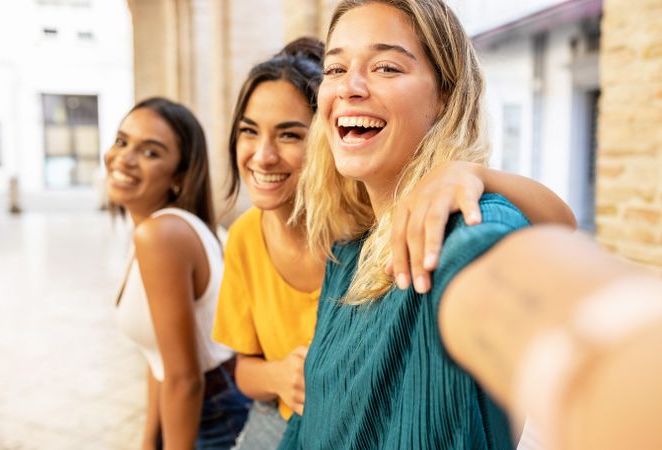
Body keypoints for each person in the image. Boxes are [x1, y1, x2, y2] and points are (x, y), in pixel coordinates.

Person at [278, 1, 662, 449]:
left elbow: (526, 288)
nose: (351, 87)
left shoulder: (460, 228)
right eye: (336, 68)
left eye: (385, 67)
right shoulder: (346, 253)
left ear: (446, 95)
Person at [213, 36, 575, 449]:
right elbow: (247, 369)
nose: (263, 156)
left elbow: (544, 234)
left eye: (290, 135)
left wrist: (472, 173)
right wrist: (280, 376)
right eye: (337, 70)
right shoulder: (310, 243)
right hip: (286, 415)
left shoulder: (387, 229)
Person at [106, 97, 250, 450]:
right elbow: (161, 361)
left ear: (180, 176)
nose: (124, 158)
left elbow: (185, 380)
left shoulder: (162, 235)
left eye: (151, 152)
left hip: (213, 415)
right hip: (205, 406)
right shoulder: (160, 227)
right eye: (122, 141)